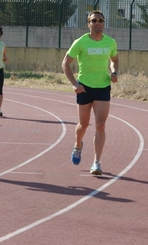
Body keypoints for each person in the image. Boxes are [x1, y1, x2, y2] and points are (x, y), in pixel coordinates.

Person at [61, 10, 119, 176]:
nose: (98, 23)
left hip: (103, 87)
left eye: (100, 20)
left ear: (104, 23)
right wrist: (74, 84)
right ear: (89, 24)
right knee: (83, 125)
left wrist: (114, 72)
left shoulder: (110, 42)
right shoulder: (81, 42)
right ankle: (78, 144)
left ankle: (96, 162)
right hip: (84, 87)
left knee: (100, 125)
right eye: (94, 21)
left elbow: (114, 59)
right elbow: (65, 63)